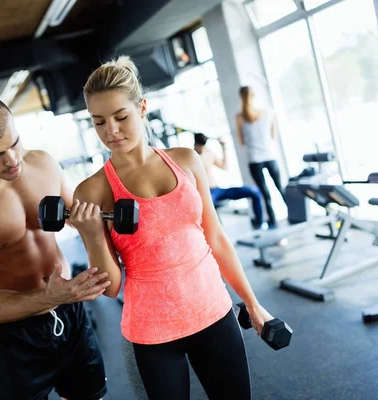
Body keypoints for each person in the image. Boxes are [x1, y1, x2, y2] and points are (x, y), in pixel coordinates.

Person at [69, 55, 275, 399]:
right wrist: (91, 235)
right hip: (151, 332)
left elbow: (217, 239)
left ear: (143, 107)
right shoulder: (93, 191)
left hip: (214, 310)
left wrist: (252, 304)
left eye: (121, 117)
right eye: (99, 122)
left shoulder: (186, 160)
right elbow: (111, 287)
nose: (111, 131)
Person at [0, 95, 110, 400]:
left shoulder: (43, 163)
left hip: (70, 313)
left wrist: (95, 222)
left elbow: (75, 217)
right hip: (15, 336)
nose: (12, 160)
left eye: (15, 144)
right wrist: (47, 297)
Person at [236, 86, 286, 229]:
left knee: (265, 193)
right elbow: (273, 136)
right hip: (270, 155)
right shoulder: (267, 113)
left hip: (254, 158)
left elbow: (242, 141)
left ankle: (273, 221)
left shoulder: (240, 117)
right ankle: (295, 213)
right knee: (280, 187)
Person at [193, 132, 264, 229]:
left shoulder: (208, 153)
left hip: (217, 189)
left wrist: (223, 148)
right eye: (199, 146)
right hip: (206, 193)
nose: (201, 148)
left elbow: (224, 166)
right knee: (206, 210)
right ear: (195, 144)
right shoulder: (191, 158)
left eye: (202, 145)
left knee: (254, 191)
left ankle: (258, 224)